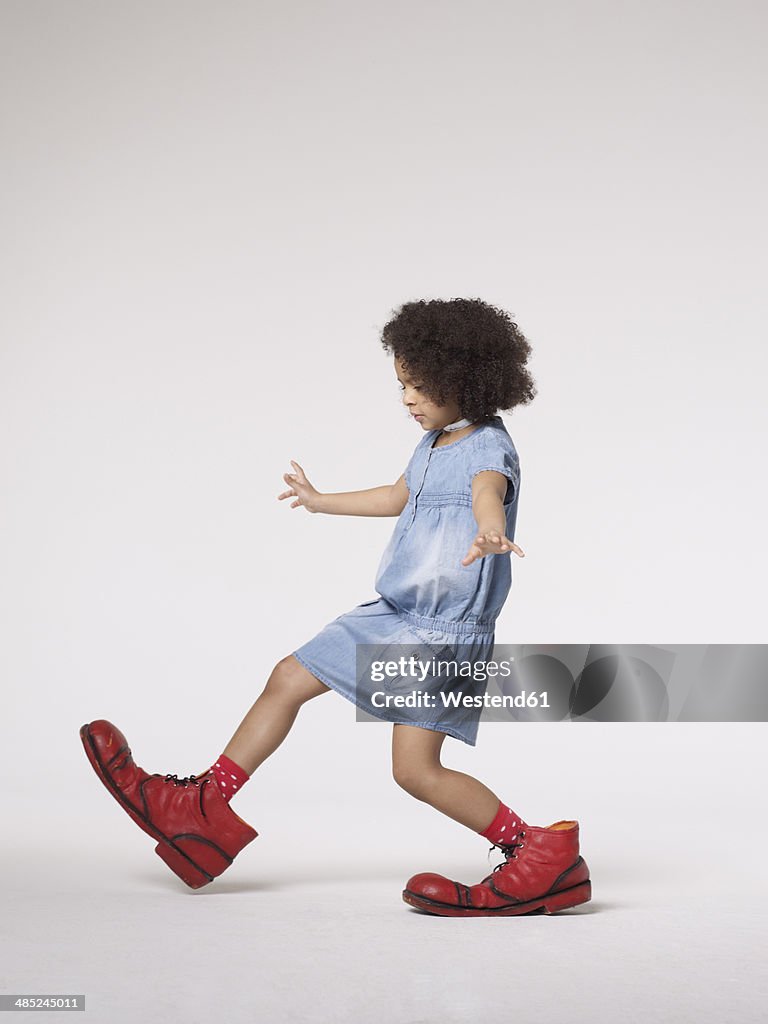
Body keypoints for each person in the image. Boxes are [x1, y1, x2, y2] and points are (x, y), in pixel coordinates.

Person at [80, 297, 591, 916]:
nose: (407, 398)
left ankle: (536, 852)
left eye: (420, 386)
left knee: (415, 771)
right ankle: (205, 808)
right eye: (401, 384)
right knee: (289, 676)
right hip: (393, 612)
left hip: (443, 633)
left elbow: (489, 491)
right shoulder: (432, 442)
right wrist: (322, 501)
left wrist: (489, 528)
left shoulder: (489, 447)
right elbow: (397, 496)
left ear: (467, 380)